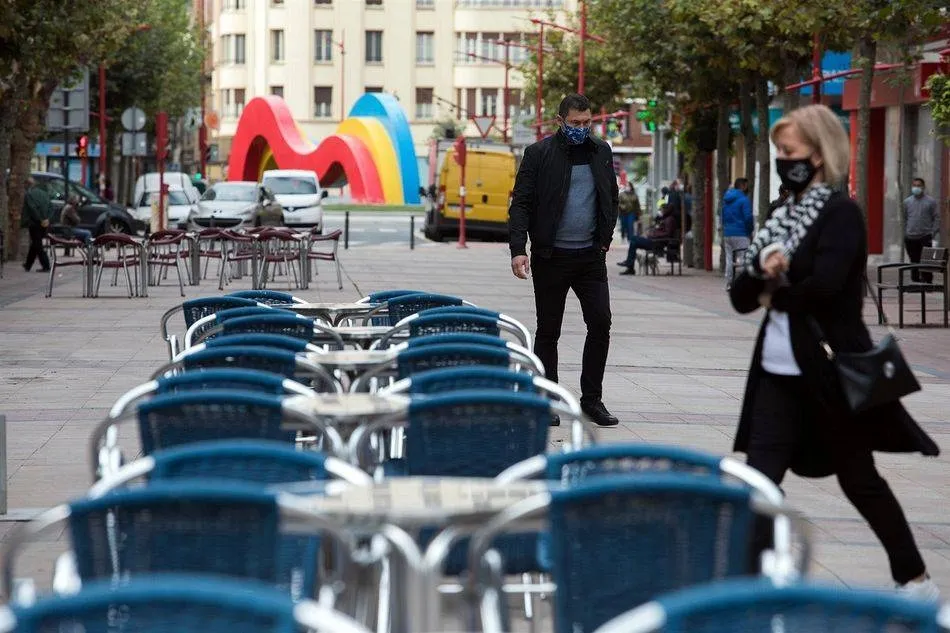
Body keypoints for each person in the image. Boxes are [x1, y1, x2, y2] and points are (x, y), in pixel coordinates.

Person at [730, 104, 940, 600]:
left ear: (820, 155)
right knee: (758, 482)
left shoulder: (840, 213)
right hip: (776, 374)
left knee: (859, 479)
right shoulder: (781, 215)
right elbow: (741, 296)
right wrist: (763, 276)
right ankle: (749, 586)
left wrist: (772, 287)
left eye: (790, 152)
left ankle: (914, 579)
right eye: (780, 153)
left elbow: (826, 288)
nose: (784, 161)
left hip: (827, 373)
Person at [508, 93, 619, 428]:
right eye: (575, 124)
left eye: (586, 123)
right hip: (551, 256)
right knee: (549, 331)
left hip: (590, 258)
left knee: (601, 323)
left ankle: (591, 400)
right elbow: (522, 204)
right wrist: (518, 249)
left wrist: (605, 240)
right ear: (560, 121)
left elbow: (610, 197)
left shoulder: (601, 152)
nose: (581, 129)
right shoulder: (539, 154)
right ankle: (548, 400)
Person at [618, 203, 677, 275]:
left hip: (656, 242)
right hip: (654, 241)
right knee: (633, 242)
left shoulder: (669, 220)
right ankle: (630, 266)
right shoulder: (666, 218)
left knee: (633, 239)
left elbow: (668, 234)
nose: (661, 211)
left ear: (666, 210)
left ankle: (629, 265)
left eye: (662, 209)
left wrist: (653, 234)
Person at [903, 177, 940, 283]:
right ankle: (915, 281)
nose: (916, 188)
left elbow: (936, 218)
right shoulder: (907, 202)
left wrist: (932, 232)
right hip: (910, 237)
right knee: (914, 261)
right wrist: (906, 232)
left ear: (923, 187)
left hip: (925, 236)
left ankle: (928, 281)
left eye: (918, 185)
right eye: (914, 185)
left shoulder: (931, 202)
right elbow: (905, 218)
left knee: (926, 261)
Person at [722, 178, 754, 287]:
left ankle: (729, 282)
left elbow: (723, 216)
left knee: (729, 258)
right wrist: (750, 231)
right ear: (743, 186)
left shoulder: (726, 200)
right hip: (741, 233)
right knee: (744, 258)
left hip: (728, 233)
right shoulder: (744, 200)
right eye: (746, 185)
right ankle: (744, 283)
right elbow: (748, 218)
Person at [21, 176, 51, 272]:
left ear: (27, 184)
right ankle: (28, 264)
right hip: (44, 223)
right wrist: (47, 218)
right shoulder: (44, 193)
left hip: (34, 223)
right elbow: (51, 206)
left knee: (37, 244)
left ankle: (46, 265)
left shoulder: (29, 194)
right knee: (35, 243)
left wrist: (40, 219)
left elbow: (32, 209)